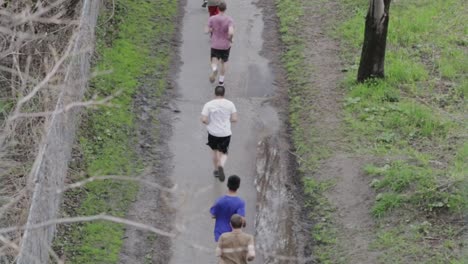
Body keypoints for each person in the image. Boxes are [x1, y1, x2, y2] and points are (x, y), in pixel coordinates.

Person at [201, 85, 237, 181]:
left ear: (215, 93)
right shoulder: (230, 104)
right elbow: (234, 119)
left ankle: (216, 170)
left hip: (213, 133)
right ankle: (221, 165)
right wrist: (227, 120)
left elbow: (203, 119)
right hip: (225, 133)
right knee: (224, 152)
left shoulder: (208, 104)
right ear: (224, 94)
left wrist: (209, 123)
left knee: (215, 151)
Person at [210, 175, 246, 242]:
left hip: (219, 234)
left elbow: (213, 213)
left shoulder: (219, 201)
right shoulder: (240, 203)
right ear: (238, 186)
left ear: (227, 184)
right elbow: (242, 220)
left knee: (220, 251)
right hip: (233, 235)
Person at [207, 1, 234, 86]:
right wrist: (230, 38)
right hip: (225, 45)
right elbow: (231, 32)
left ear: (218, 9)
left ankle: (214, 68)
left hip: (215, 44)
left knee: (213, 59)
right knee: (224, 62)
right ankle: (221, 81)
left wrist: (211, 30)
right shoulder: (229, 20)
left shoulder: (212, 18)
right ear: (225, 9)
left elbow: (207, 30)